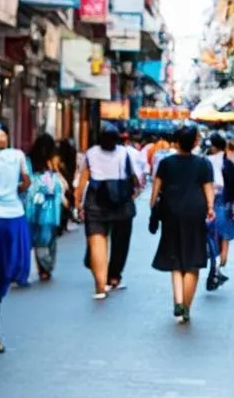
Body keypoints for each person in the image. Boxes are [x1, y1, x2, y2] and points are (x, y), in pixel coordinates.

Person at [149, 125, 214, 324]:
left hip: (171, 210)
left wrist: (153, 207)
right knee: (192, 261)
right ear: (195, 142)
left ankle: (178, 301)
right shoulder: (203, 164)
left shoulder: (166, 163)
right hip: (195, 211)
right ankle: (185, 307)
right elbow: (208, 189)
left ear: (176, 141)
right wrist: (210, 208)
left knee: (175, 258)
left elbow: (156, 189)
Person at [75, 124, 137, 299]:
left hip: (96, 201)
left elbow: (83, 179)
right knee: (120, 243)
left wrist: (78, 201)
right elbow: (133, 178)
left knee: (97, 242)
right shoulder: (125, 153)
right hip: (121, 203)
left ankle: (100, 287)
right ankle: (114, 277)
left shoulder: (91, 153)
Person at [0, 128, 32, 297]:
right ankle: (16, 275)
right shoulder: (18, 155)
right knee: (16, 249)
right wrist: (15, 189)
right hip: (15, 209)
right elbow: (26, 181)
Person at [205, 133, 234, 290]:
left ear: (214, 146)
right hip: (224, 202)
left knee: (212, 236)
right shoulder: (227, 163)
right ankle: (219, 266)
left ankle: (216, 267)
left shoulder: (207, 161)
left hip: (211, 202)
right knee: (224, 235)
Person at [26, 136, 68, 281]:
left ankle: (44, 267)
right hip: (50, 207)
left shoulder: (29, 162)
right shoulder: (51, 165)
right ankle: (46, 266)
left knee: (41, 237)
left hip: (35, 206)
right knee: (48, 238)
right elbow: (60, 185)